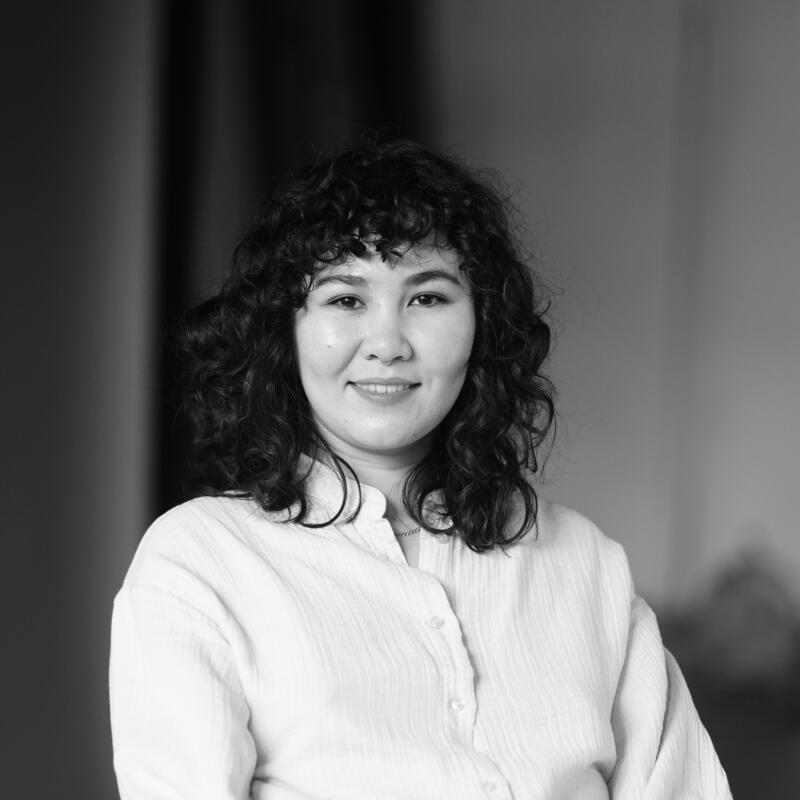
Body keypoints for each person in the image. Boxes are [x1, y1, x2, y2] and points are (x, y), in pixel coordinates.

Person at [109, 139, 732, 799]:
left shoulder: (583, 563)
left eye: (427, 298)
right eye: (346, 300)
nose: (386, 344)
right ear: (281, 329)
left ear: (482, 325)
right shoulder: (202, 563)